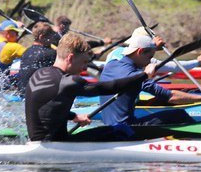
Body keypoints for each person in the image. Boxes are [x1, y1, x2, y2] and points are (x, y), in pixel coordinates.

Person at [25, 33, 154, 142]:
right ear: (70, 58)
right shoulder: (69, 81)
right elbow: (110, 88)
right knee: (122, 130)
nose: (85, 68)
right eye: (84, 62)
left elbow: (48, 108)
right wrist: (144, 75)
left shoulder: (38, 74)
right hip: (58, 143)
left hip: (38, 141)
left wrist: (73, 116)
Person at [98, 35, 201, 135]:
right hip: (128, 129)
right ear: (139, 51)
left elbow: (134, 57)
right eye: (149, 57)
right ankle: (199, 136)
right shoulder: (135, 75)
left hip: (108, 125)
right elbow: (170, 97)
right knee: (178, 114)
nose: (150, 61)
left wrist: (152, 47)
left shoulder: (111, 63)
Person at [105, 26, 201, 72]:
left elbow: (140, 50)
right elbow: (174, 67)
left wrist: (153, 47)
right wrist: (197, 62)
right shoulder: (143, 61)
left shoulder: (114, 52)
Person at [14, 22, 60, 95]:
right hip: (37, 95)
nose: (52, 39)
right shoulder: (50, 53)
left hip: (22, 92)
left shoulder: (26, 51)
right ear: (41, 37)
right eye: (50, 36)